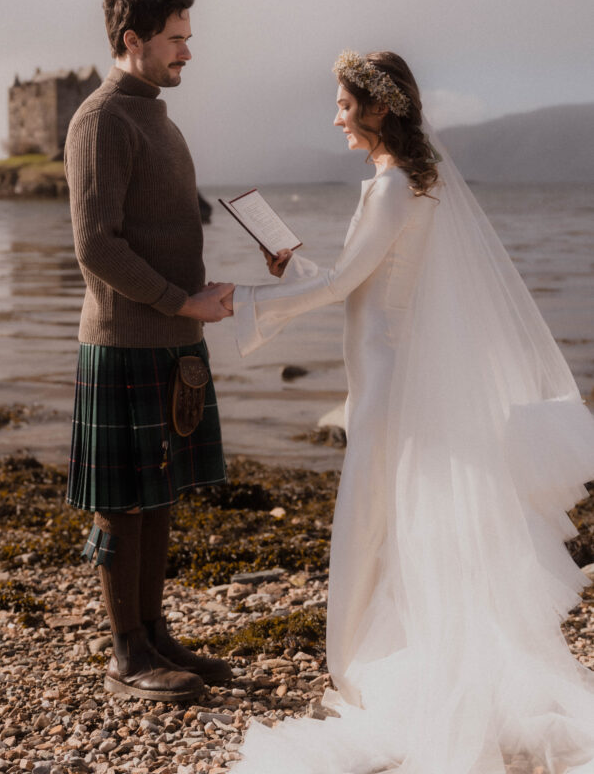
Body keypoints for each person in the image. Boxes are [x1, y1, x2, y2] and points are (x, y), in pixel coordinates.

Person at [224, 51, 594, 774]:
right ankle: (383, 644)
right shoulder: (412, 185)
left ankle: (365, 659)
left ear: (377, 108)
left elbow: (350, 285)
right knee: (389, 516)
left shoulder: (392, 187)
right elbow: (366, 283)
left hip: (387, 378)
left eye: (342, 105)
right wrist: (293, 269)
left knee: (368, 515)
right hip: (385, 366)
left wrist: (247, 303)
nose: (334, 118)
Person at [64, 0, 234, 703]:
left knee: (159, 494)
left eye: (187, 37)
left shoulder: (156, 117)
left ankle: (155, 632)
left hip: (171, 337)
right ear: (132, 40)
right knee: (122, 500)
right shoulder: (102, 120)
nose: (187, 51)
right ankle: (125, 650)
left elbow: (169, 231)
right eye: (175, 38)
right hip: (126, 338)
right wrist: (178, 303)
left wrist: (210, 292)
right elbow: (96, 247)